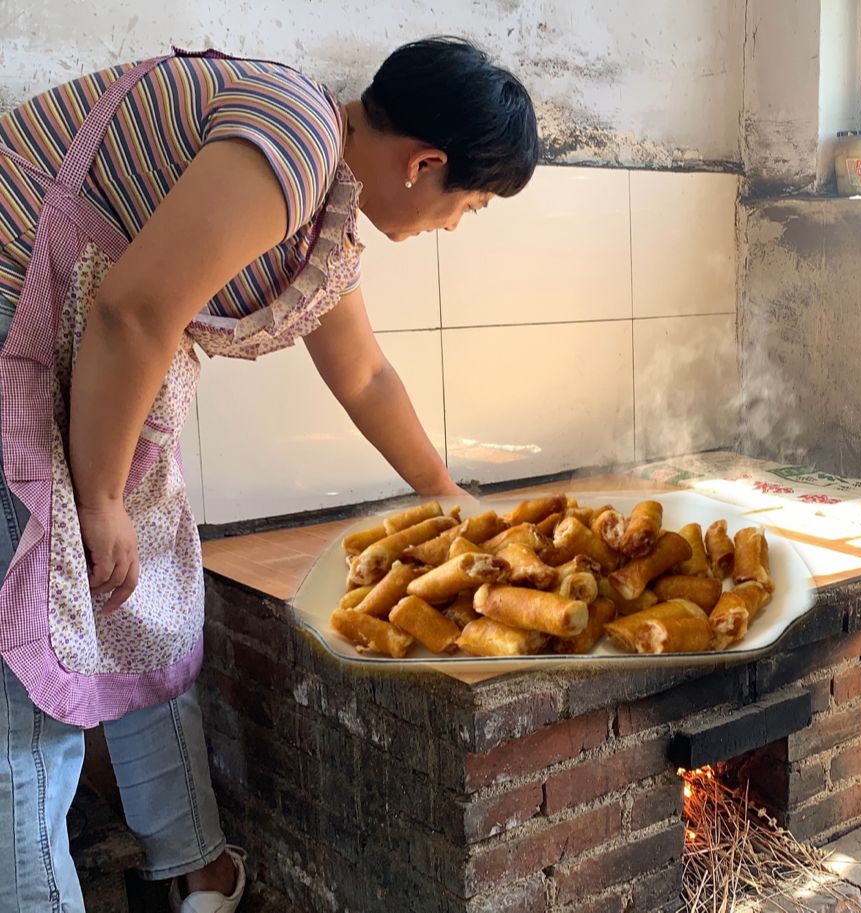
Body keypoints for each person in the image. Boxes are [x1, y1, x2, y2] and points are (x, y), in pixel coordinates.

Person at [0, 37, 538, 912]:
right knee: (30, 688)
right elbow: (132, 311)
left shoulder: (318, 191)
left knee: (143, 609)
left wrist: (446, 494)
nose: (454, 226)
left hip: (72, 350)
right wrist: (97, 496)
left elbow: (363, 375)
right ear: (424, 164)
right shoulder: (294, 139)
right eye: (467, 206)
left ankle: (196, 873)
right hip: (14, 319)